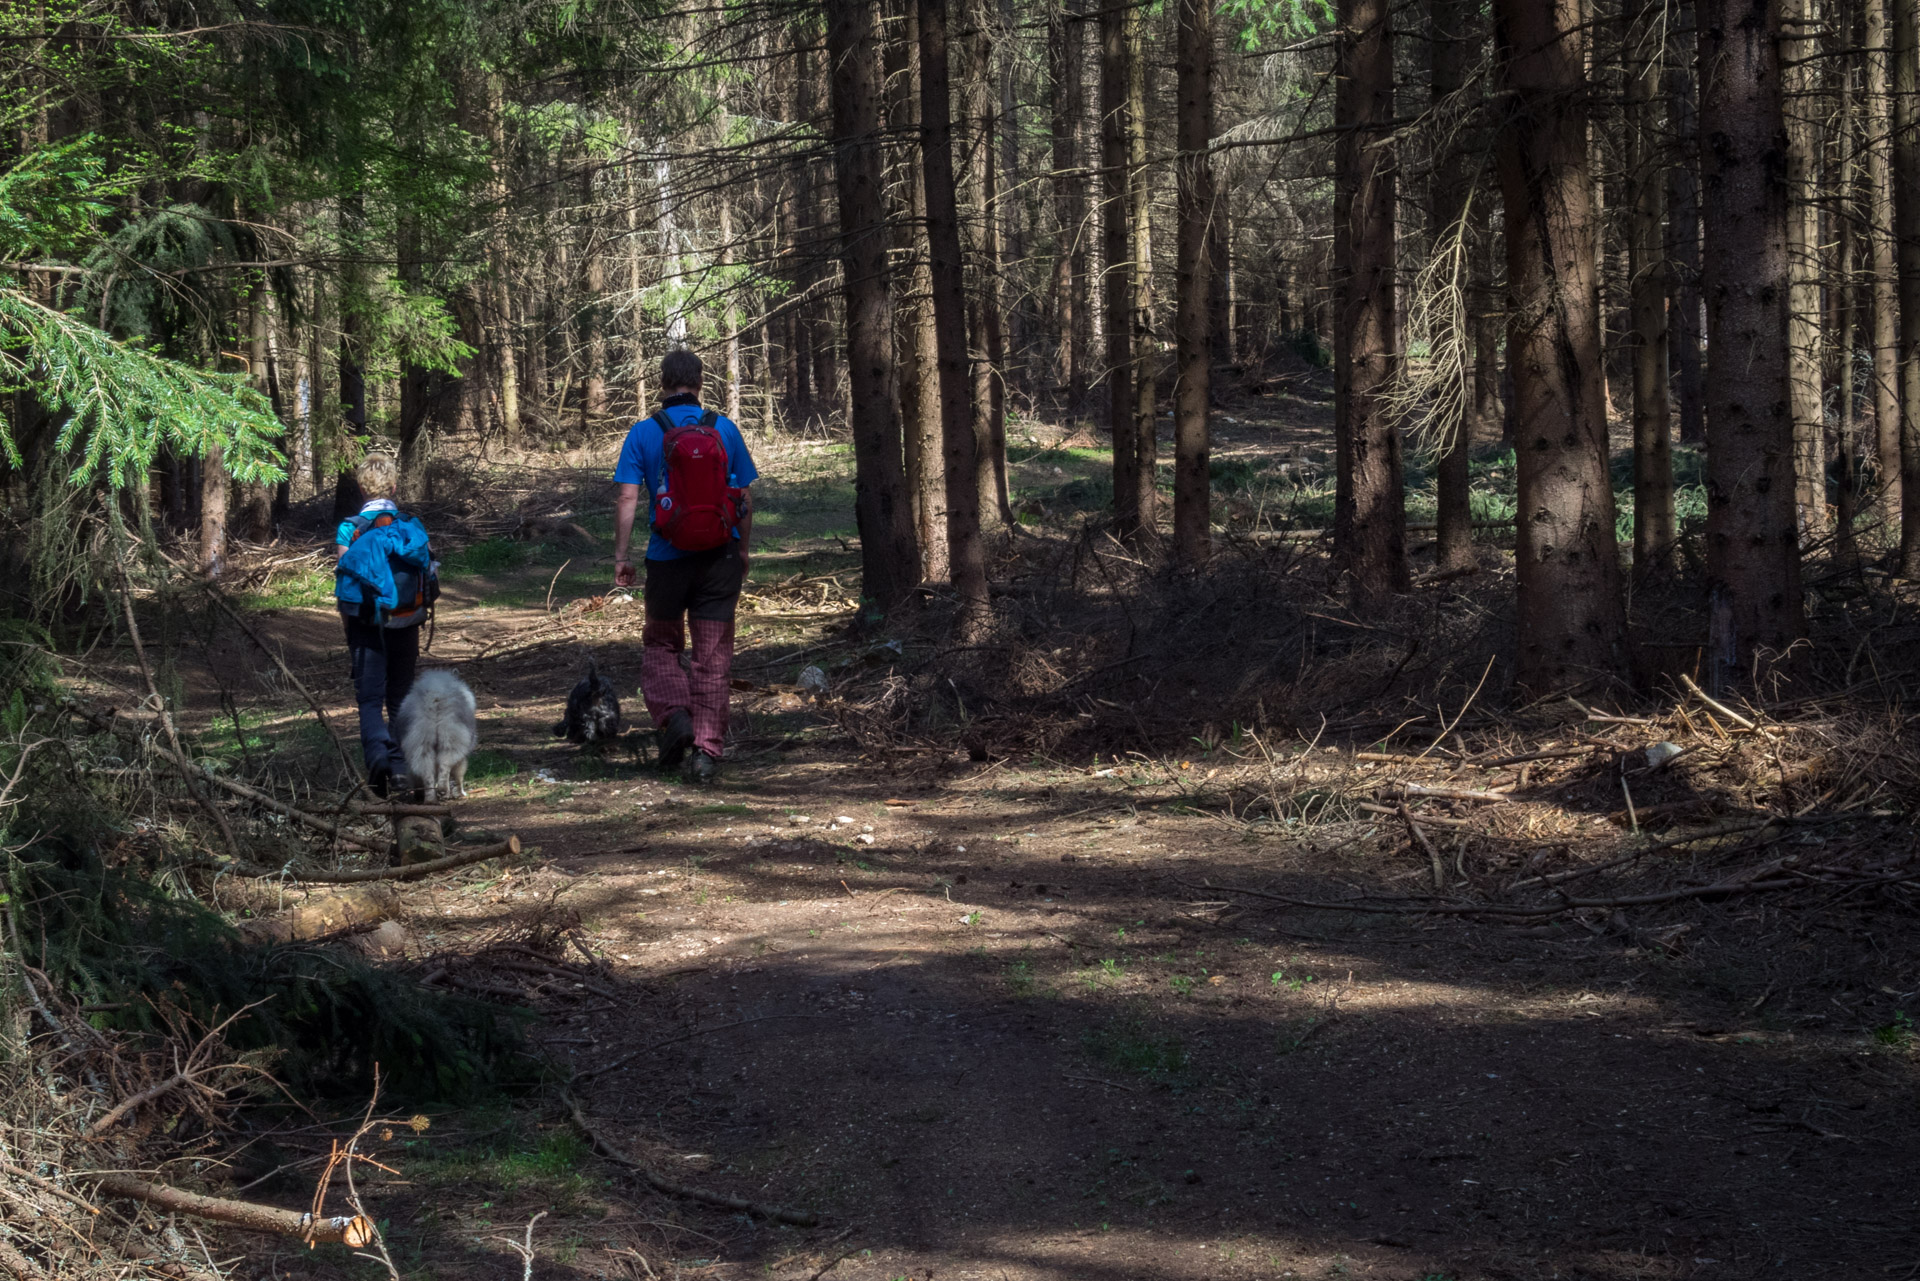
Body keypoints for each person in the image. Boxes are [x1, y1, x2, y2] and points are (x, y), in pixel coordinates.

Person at [613, 350, 758, 783]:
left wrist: (621, 557)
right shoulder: (724, 429)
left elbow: (626, 498)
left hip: (666, 560)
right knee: (712, 657)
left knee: (661, 644)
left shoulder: (644, 432)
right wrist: (743, 550)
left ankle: (675, 716)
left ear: (663, 384)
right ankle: (706, 753)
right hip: (719, 558)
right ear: (698, 382)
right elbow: (744, 498)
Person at [334, 453, 438, 796]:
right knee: (401, 698)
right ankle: (403, 768)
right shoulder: (409, 525)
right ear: (393, 486)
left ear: (362, 489)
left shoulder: (350, 528)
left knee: (369, 699)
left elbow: (346, 580)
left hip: (366, 624)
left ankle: (378, 758)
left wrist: (348, 629)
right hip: (406, 622)